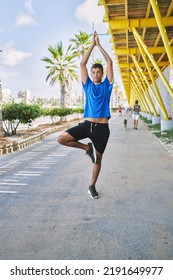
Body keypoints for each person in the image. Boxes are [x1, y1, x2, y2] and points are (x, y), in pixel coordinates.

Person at [58, 31, 114, 199]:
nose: (96, 74)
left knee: (98, 160)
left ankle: (92, 186)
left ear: (102, 74)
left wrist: (99, 45)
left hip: (102, 128)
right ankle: (86, 148)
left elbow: (109, 62)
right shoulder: (87, 85)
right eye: (93, 72)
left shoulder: (107, 86)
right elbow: (82, 64)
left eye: (98, 72)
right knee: (61, 138)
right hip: (86, 125)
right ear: (91, 74)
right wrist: (92, 45)